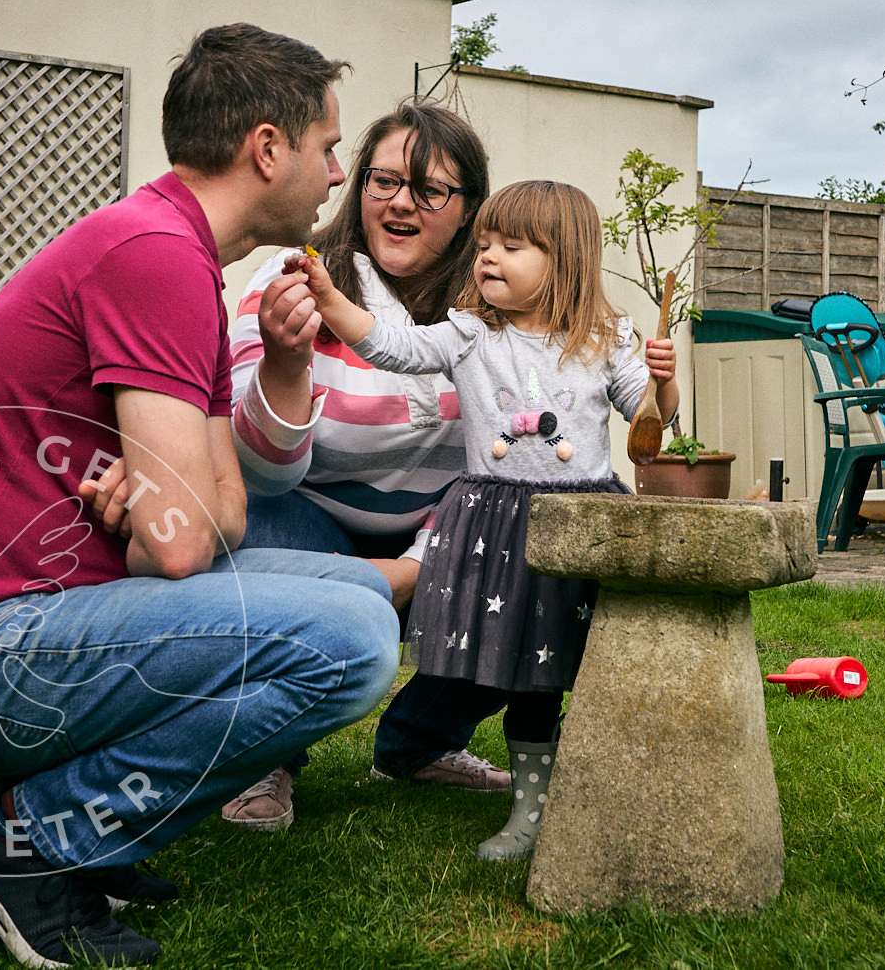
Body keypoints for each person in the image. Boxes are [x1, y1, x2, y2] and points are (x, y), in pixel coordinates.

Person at [0, 24, 400, 968]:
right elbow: (186, 543)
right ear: (266, 148)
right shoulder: (152, 254)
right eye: (327, 146)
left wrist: (167, 505)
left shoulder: (179, 257)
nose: (339, 170)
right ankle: (28, 843)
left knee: (352, 596)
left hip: (32, 626)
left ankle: (78, 832)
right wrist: (166, 510)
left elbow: (218, 514)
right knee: (353, 645)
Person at [287, 179, 679, 860]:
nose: (488, 257)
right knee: (521, 672)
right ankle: (528, 811)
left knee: (572, 672)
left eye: (512, 245)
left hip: (579, 528)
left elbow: (650, 420)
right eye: (485, 244)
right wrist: (330, 301)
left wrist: (666, 378)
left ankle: (570, 798)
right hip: (498, 531)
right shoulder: (471, 332)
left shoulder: (604, 336)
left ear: (565, 260)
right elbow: (390, 347)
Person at [218, 104, 511, 832]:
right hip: (299, 518)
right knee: (255, 530)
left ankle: (420, 743)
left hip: (438, 537)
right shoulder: (295, 277)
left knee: (533, 536)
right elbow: (254, 465)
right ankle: (265, 750)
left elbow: (507, 461)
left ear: (470, 210)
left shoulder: (495, 312)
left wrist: (416, 565)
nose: (401, 202)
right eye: (384, 180)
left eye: (430, 189)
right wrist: (287, 364)